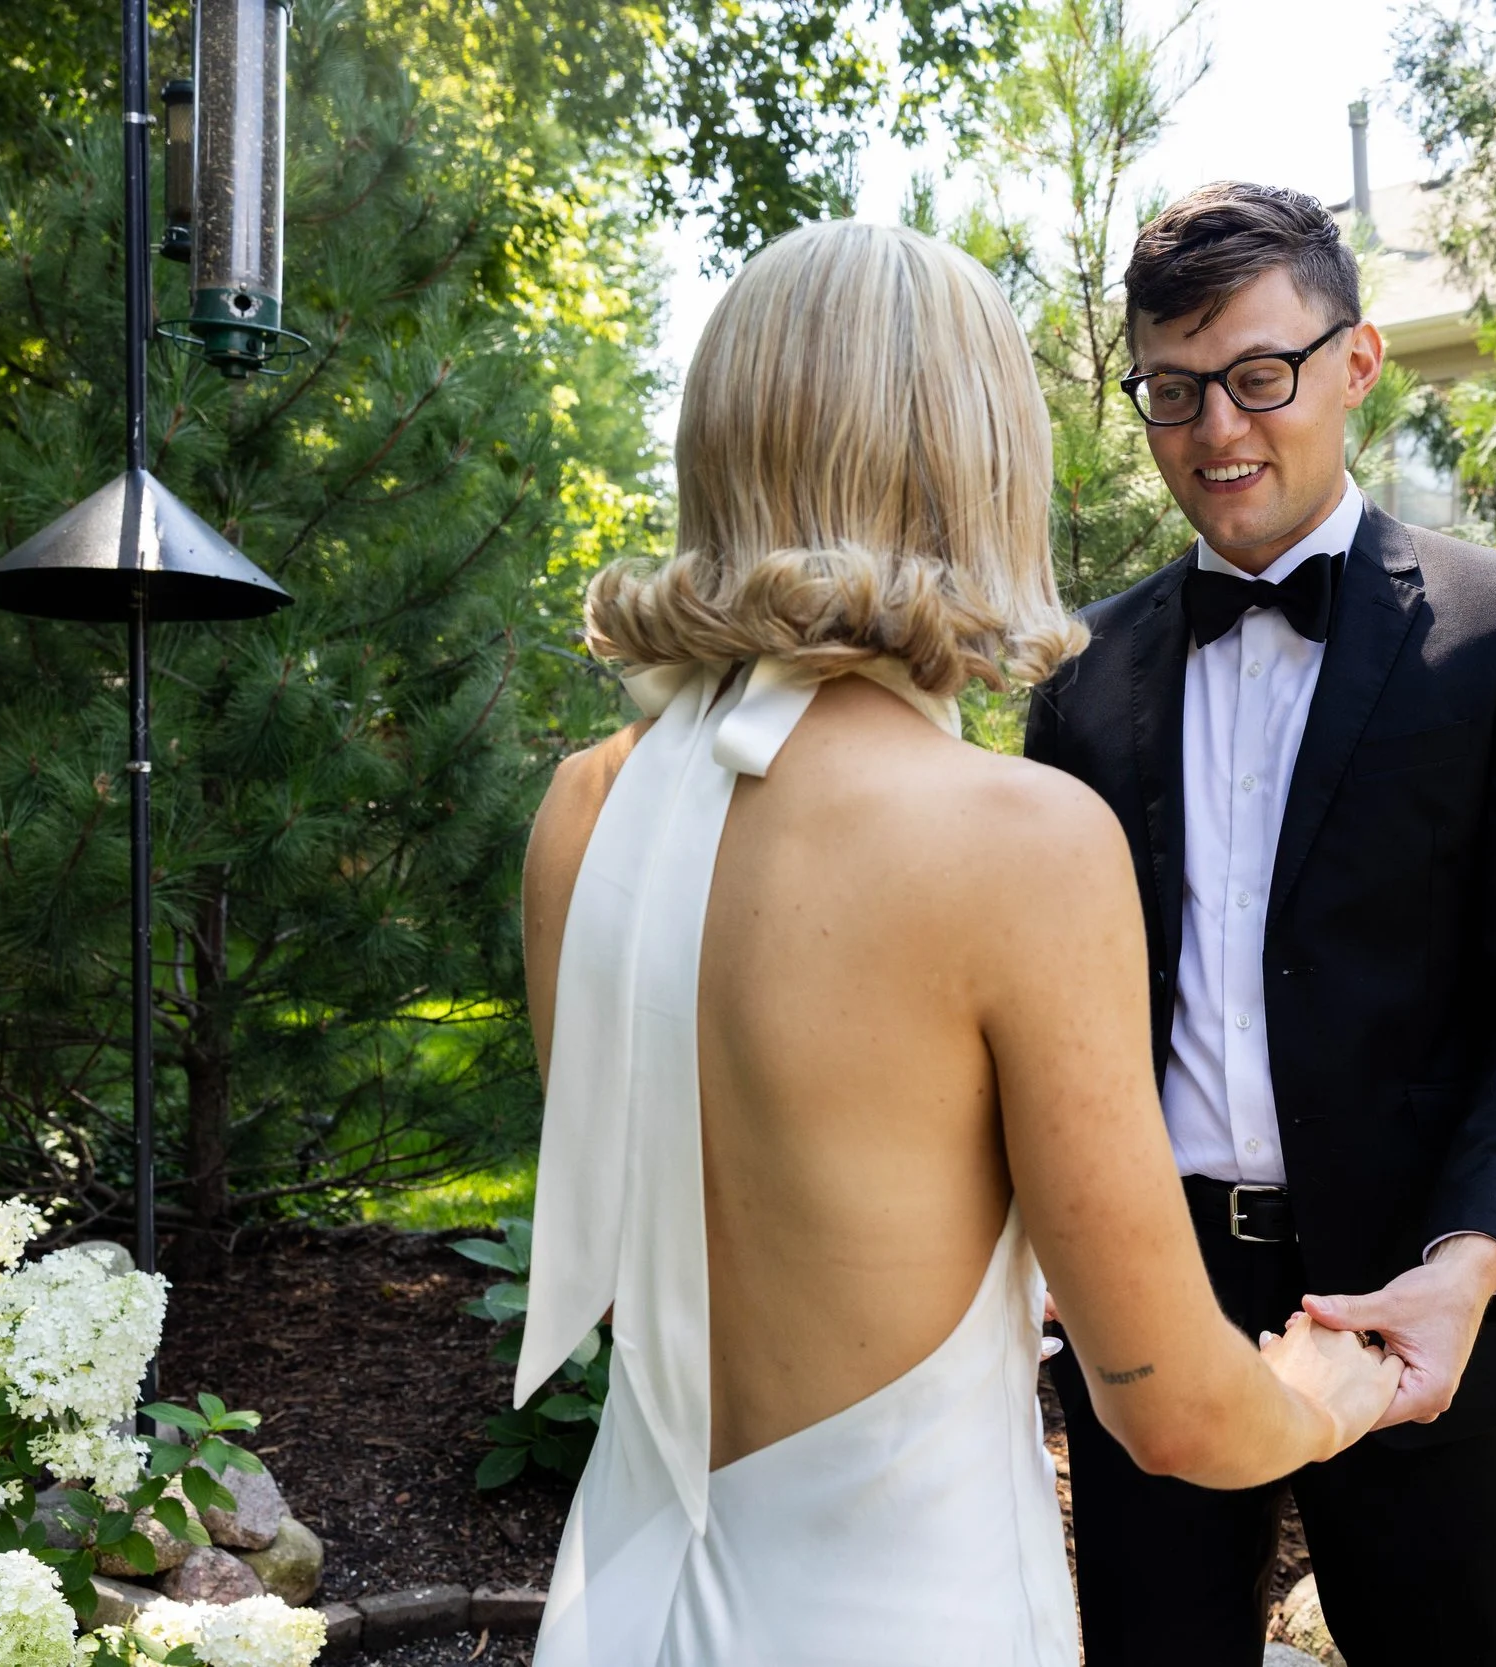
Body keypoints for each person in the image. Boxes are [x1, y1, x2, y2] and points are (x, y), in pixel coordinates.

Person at [513, 219, 1405, 1667]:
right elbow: (1170, 1409)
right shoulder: (1018, 838)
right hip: (902, 1614)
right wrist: (1323, 1394)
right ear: (979, 460)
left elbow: (669, 1243)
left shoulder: (581, 808)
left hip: (622, 1600)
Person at [1024, 181, 1496, 1667]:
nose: (1216, 429)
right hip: (1151, 1290)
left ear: (1356, 364)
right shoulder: (1077, 672)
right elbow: (1054, 1013)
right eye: (1173, 390)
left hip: (1418, 1289)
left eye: (1258, 376)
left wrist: (1471, 1261)